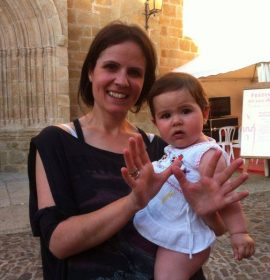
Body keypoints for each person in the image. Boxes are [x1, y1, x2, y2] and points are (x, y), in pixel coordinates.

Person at [28, 21, 249, 280]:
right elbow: (58, 243)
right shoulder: (55, 142)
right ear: (91, 71)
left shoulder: (163, 149)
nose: (121, 81)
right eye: (111, 67)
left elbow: (215, 227)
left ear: (144, 83)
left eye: (134, 72)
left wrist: (210, 214)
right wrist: (133, 202)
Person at [129, 72, 255, 280]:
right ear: (155, 122)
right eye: (166, 116)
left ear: (205, 113)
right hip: (168, 223)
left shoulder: (207, 155)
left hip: (185, 235)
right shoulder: (172, 149)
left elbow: (225, 198)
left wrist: (239, 232)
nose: (176, 121)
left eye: (185, 111)